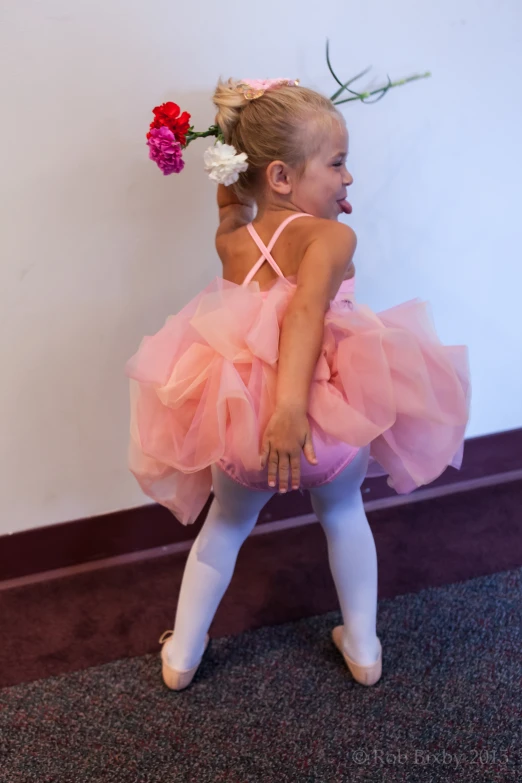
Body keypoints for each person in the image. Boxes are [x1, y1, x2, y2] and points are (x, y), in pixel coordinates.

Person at [126, 78, 470, 690]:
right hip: (318, 426)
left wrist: (233, 167)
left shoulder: (233, 240)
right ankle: (362, 647)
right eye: (337, 163)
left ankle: (182, 654)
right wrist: (291, 409)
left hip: (236, 426)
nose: (349, 179)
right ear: (282, 176)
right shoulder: (332, 237)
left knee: (225, 526)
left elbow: (234, 204)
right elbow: (307, 311)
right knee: (343, 517)